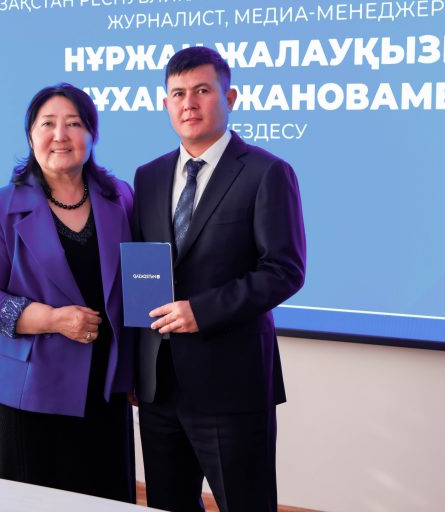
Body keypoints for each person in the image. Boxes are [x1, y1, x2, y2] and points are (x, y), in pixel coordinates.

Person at [132, 47, 306, 511]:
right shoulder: (147, 177)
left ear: (229, 98)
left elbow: (284, 271)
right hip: (160, 386)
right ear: (165, 103)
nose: (189, 103)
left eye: (202, 90)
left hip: (232, 385)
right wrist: (136, 367)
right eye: (178, 94)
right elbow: (143, 269)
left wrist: (201, 311)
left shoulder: (267, 172)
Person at [0, 83, 135, 503]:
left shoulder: (120, 197)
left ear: (91, 134)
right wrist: (55, 320)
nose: (61, 135)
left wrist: (138, 368)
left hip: (105, 387)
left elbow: (136, 284)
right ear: (31, 135)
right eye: (48, 124)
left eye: (74, 123)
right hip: (31, 390)